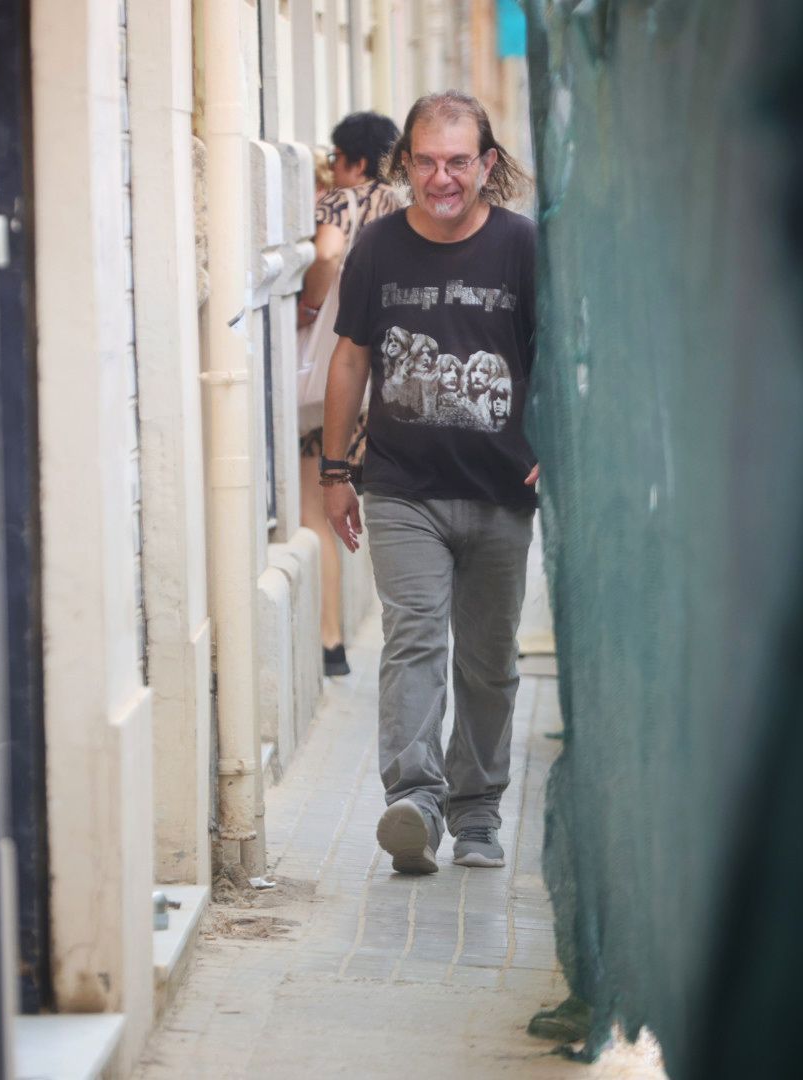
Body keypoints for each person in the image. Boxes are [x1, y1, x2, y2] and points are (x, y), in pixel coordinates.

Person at [319, 91, 538, 874]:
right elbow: (351, 357)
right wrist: (335, 470)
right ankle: (414, 801)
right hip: (401, 488)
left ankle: (477, 812)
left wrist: (557, 442)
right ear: (405, 164)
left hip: (502, 489)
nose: (442, 178)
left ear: (486, 163)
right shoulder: (378, 247)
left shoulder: (522, 246)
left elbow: (556, 355)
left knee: (489, 660)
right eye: (426, 162)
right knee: (414, 637)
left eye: (458, 161)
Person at [296, 111, 403, 678]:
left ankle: (330, 642)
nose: (333, 169)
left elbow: (326, 254)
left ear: (357, 161)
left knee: (316, 508)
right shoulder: (406, 209)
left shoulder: (344, 202)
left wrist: (310, 304)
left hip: (337, 382)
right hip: (391, 380)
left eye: (336, 159)